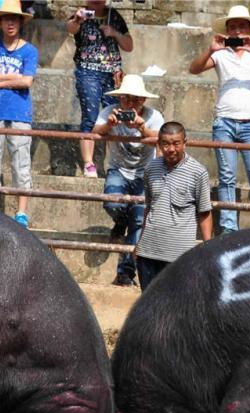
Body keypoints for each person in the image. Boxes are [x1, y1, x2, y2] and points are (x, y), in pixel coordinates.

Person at [189, 4, 250, 234]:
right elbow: (194, 69)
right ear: (227, 30)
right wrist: (211, 50)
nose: (237, 31)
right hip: (224, 122)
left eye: (242, 26)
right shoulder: (220, 53)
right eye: (232, 27)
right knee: (227, 177)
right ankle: (229, 227)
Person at [91, 74, 164, 287]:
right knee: (113, 203)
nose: (130, 103)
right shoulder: (109, 112)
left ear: (142, 101)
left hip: (145, 173)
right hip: (119, 170)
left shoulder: (153, 116)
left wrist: (142, 128)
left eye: (135, 99)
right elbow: (94, 132)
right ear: (120, 98)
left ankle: (126, 272)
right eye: (126, 98)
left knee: (139, 222)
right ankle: (121, 218)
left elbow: (161, 140)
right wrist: (109, 125)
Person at [0, 0, 38, 228]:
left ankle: (21, 213)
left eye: (14, 18)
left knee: (21, 163)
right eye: (6, 19)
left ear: (20, 22)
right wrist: (10, 81)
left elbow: (27, 81)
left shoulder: (30, 51)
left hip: (20, 113)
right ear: (0, 22)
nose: (10, 23)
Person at [134, 122, 213, 291]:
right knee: (148, 306)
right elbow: (149, 208)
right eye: (166, 144)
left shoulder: (198, 173)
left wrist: (209, 249)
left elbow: (204, 213)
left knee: (175, 309)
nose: (171, 149)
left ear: (185, 142)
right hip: (148, 252)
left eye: (176, 143)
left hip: (178, 256)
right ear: (159, 144)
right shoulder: (151, 169)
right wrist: (140, 243)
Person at [66, 0, 133, 178]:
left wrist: (115, 33)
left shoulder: (115, 16)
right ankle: (88, 162)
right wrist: (77, 20)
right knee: (90, 116)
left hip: (112, 74)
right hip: (88, 72)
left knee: (115, 116)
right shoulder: (81, 14)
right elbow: (70, 29)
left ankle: (116, 162)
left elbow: (129, 46)